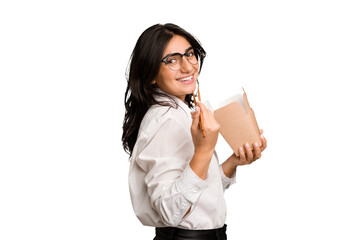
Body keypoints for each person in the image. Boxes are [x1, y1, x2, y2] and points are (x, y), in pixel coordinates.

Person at [122, 23, 267, 240]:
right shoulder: (166, 119)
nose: (188, 67)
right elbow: (170, 210)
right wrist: (203, 151)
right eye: (172, 60)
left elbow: (198, 192)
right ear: (151, 74)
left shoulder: (177, 112)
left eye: (190, 54)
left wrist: (233, 162)